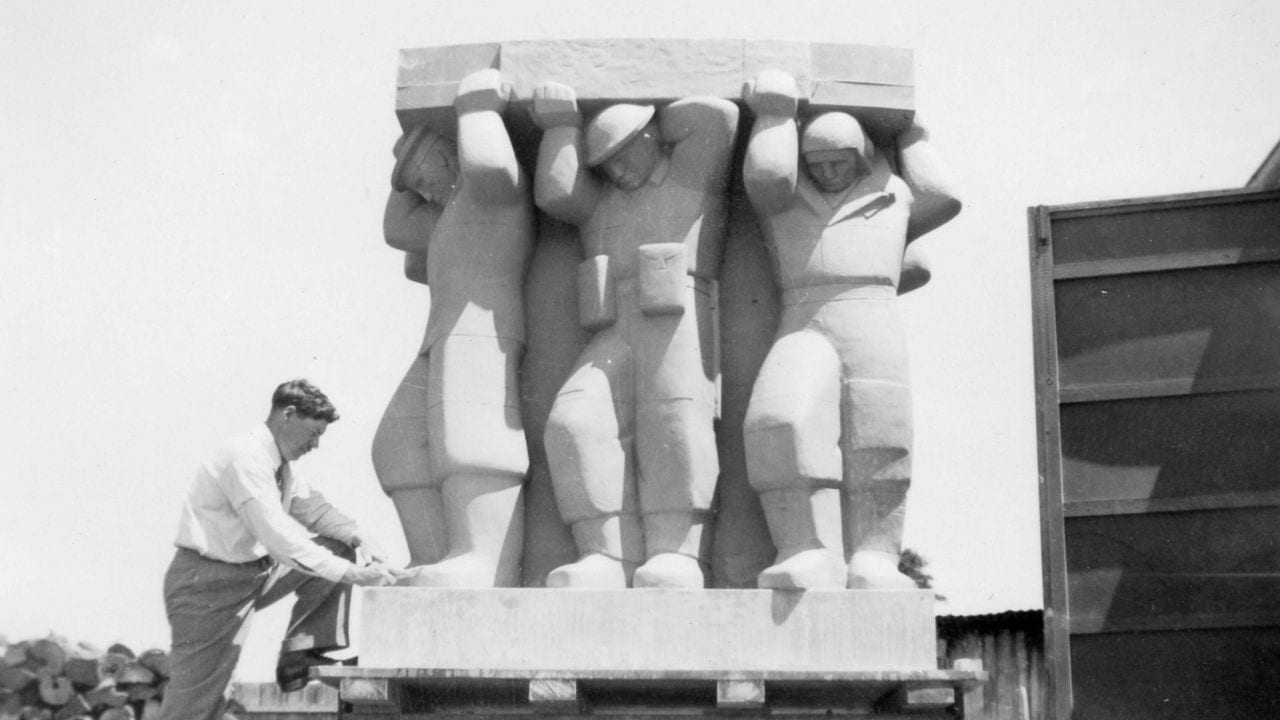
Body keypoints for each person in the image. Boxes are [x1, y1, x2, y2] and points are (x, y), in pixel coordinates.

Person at [740, 70, 961, 590]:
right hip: (805, 316)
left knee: (880, 440)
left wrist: (912, 135)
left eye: (840, 161)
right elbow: (766, 175)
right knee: (781, 420)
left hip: (873, 316)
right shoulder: (788, 201)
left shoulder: (894, 196)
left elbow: (943, 196)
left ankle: (875, 556)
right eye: (817, 164)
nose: (830, 171)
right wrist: (774, 115)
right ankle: (807, 547)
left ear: (862, 156)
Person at [530, 82, 738, 589]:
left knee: (673, 428)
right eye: (606, 163)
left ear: (652, 139)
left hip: (676, 320)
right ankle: (606, 555)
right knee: (573, 422)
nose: (617, 170)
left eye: (626, 153)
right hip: (615, 324)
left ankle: (678, 552)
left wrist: (644, 109)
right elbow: (556, 192)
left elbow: (718, 116)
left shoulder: (689, 181)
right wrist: (560, 126)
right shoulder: (601, 202)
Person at [157, 379, 406, 720]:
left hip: (255, 573)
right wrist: (355, 575)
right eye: (313, 433)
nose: (316, 444)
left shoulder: (283, 467)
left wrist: (359, 536)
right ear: (288, 415)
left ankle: (300, 654)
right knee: (197, 703)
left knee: (338, 546)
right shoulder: (243, 457)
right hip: (206, 584)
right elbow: (278, 535)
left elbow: (315, 511)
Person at [372, 68, 534, 587]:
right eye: (416, 184)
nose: (421, 188)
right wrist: (404, 169)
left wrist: (474, 105)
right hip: (443, 334)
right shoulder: (446, 216)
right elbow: (396, 230)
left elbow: (487, 160)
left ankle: (485, 559)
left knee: (473, 436)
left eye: (426, 173)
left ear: (453, 157)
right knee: (397, 444)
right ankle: (435, 555)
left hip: (482, 329)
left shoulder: (495, 193)